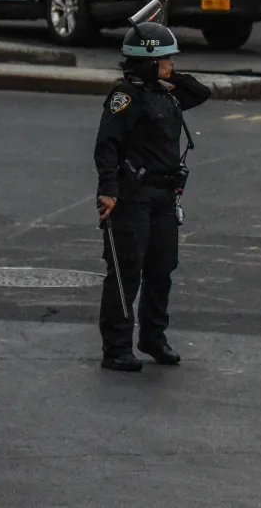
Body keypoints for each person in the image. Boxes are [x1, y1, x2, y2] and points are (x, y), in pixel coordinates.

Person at [94, 21, 210, 372]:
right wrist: (108, 190)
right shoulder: (124, 96)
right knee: (126, 270)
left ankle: (153, 337)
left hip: (164, 194)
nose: (172, 65)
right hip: (134, 196)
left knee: (162, 267)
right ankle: (117, 347)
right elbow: (107, 146)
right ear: (146, 61)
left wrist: (166, 75)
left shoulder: (166, 92)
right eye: (165, 59)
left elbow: (200, 91)